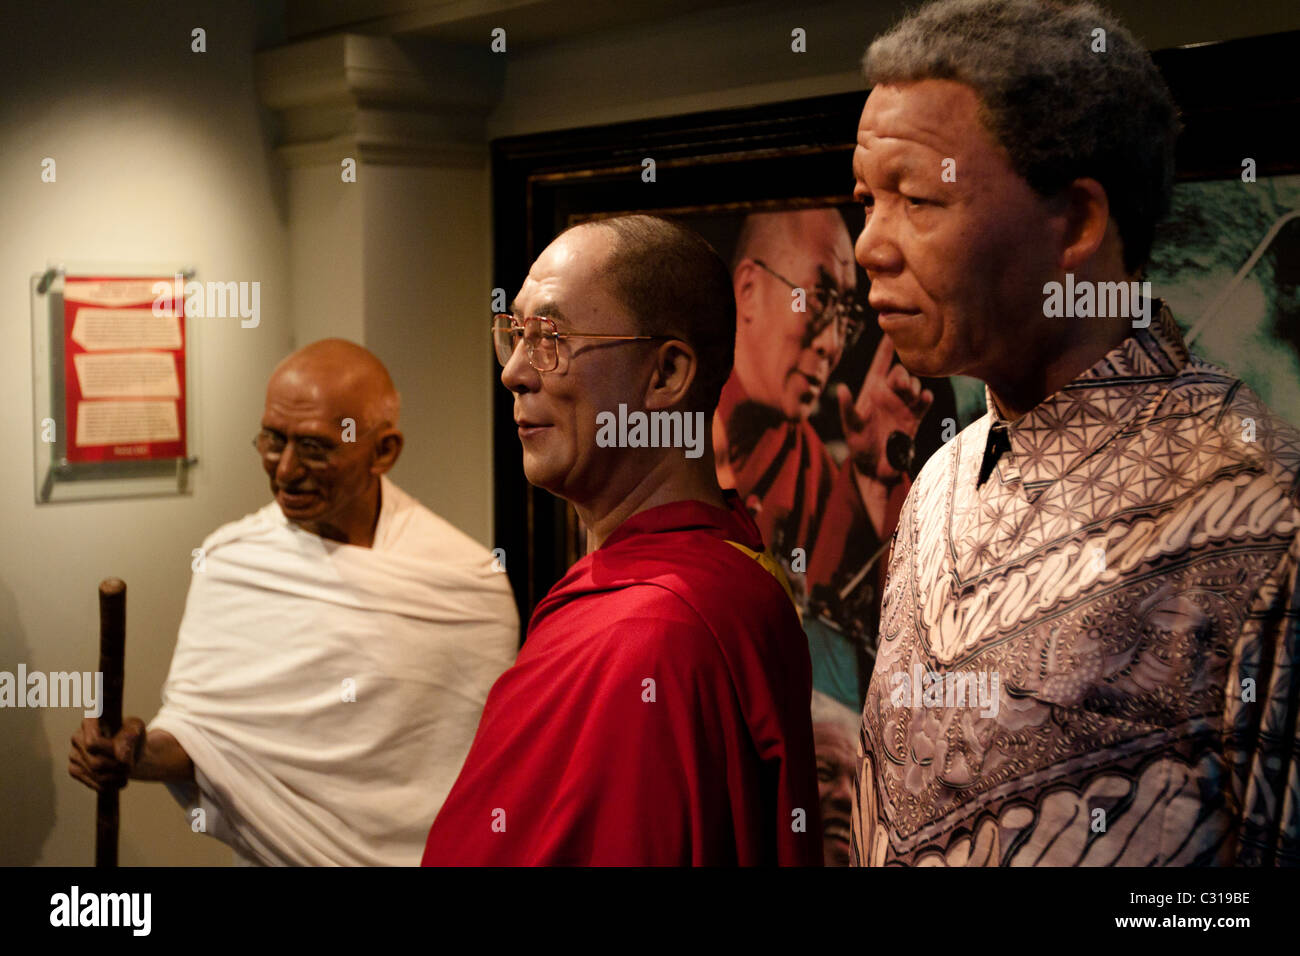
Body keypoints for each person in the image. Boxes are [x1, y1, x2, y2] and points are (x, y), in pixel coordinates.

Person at [850, 0, 1300, 867]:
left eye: (918, 199)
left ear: (1077, 223)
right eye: (867, 200)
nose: (870, 244)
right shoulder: (940, 482)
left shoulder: (1266, 515)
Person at [422, 214, 822, 865]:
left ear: (665, 375)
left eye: (550, 337)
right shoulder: (735, 571)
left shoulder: (646, 633)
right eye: (514, 334)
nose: (515, 373)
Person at [69, 339, 519, 865]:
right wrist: (133, 754)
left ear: (384, 451)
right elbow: (200, 736)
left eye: (314, 447)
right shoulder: (233, 562)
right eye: (272, 440)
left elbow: (486, 770)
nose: (283, 471)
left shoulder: (463, 583)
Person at [718, 209, 933, 599]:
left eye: (846, 317)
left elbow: (829, 621)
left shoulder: (813, 469)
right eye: (818, 299)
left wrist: (870, 479)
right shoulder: (669, 429)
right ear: (748, 289)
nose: (832, 345)